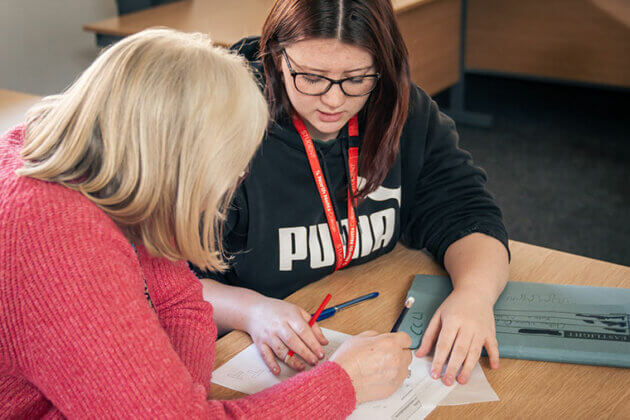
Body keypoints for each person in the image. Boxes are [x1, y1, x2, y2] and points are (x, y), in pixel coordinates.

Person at [0, 28, 412, 418]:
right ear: (174, 158)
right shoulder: (57, 242)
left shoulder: (105, 164)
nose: (238, 178)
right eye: (231, 161)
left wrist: (173, 398)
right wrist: (345, 383)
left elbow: (181, 303)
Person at [192, 0, 510, 387]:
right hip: (246, 352)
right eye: (311, 76)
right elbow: (162, 277)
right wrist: (250, 311)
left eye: (356, 78)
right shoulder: (222, 122)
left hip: (366, 314)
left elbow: (467, 214)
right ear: (277, 56)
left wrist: (474, 294)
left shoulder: (399, 109)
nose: (334, 100)